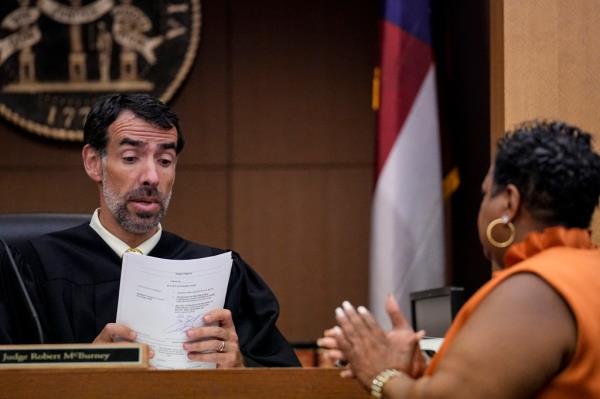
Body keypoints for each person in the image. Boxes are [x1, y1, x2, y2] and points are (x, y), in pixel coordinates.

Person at [0, 93, 300, 368]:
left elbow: (287, 381)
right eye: (131, 158)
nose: (152, 177)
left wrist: (241, 369)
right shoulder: (29, 268)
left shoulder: (222, 273)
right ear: (94, 163)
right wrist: (83, 373)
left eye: (165, 160)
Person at [318, 120, 600, 397]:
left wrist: (380, 373)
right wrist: (424, 372)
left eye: (486, 193)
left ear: (509, 203)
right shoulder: (585, 271)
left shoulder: (535, 289)